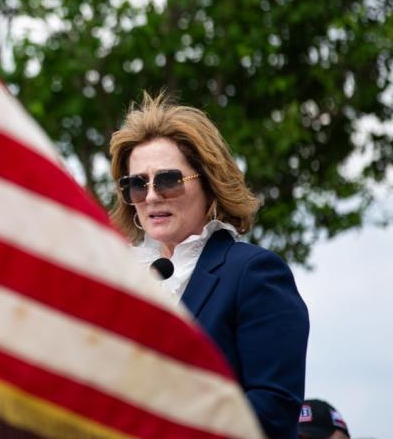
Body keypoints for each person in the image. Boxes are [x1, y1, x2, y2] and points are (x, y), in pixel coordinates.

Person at [109, 92, 309, 438]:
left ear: (209, 183)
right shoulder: (121, 284)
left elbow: (270, 416)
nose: (152, 195)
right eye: (137, 184)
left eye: (168, 180)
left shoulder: (254, 274)